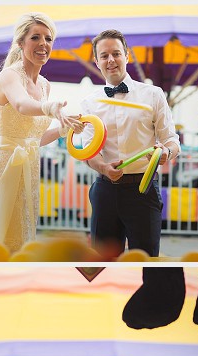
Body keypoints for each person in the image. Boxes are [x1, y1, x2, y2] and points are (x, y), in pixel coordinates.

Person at [0, 13, 83, 257]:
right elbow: (21, 105)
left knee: (23, 242)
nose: (43, 44)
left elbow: (35, 138)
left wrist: (65, 128)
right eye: (35, 37)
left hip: (30, 169)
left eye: (48, 38)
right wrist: (50, 108)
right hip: (3, 168)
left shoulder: (45, 85)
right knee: (0, 242)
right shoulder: (9, 75)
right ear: (21, 43)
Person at [79, 29, 180, 258]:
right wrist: (104, 167)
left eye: (116, 53)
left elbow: (171, 140)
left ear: (127, 55)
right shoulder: (89, 103)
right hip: (105, 191)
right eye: (104, 56)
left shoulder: (153, 95)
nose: (111, 60)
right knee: (102, 263)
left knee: (146, 262)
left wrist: (165, 152)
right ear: (96, 61)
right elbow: (88, 151)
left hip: (143, 192)